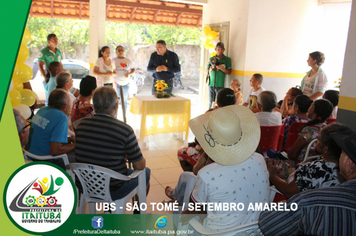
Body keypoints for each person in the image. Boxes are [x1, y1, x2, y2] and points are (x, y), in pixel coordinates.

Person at [179, 105, 269, 233]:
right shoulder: (260, 159)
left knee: (179, 216)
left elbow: (195, 207)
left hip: (218, 233)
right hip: (256, 230)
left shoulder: (207, 174)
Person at [259, 130, 356, 236]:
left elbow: (270, 224)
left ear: (350, 163)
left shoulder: (313, 200)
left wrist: (272, 176)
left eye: (342, 153)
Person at [75, 86, 150, 202]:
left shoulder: (82, 125)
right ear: (116, 106)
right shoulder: (124, 130)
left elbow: (96, 148)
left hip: (85, 184)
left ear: (94, 105)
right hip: (113, 188)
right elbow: (139, 166)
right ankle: (138, 215)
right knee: (146, 172)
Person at [268, 123, 351, 199]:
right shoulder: (347, 169)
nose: (316, 142)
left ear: (326, 149)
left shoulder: (316, 170)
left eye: (318, 139)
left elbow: (288, 191)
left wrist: (273, 175)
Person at [266, 99, 333, 179]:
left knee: (264, 162)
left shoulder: (308, 130)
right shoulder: (326, 128)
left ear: (313, 108)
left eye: (310, 106)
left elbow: (292, 155)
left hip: (299, 167)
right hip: (315, 166)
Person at [177, 88, 236, 172]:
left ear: (218, 103)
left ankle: (192, 176)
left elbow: (199, 139)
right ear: (235, 102)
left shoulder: (210, 114)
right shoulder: (240, 116)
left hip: (210, 154)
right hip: (234, 154)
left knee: (181, 152)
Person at [25, 89, 75, 157]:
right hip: (43, 158)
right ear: (65, 106)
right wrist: (76, 145)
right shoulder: (61, 117)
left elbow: (46, 136)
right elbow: (55, 150)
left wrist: (70, 139)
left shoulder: (42, 110)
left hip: (29, 154)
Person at [207, 42, 232, 109]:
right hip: (211, 83)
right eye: (218, 49)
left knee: (219, 102)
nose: (220, 51)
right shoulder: (211, 59)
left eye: (221, 49)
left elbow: (229, 72)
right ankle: (209, 115)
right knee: (211, 101)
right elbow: (207, 71)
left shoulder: (227, 59)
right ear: (215, 49)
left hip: (220, 84)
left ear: (224, 50)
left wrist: (221, 68)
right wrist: (212, 67)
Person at [112, 45, 135, 110]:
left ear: (124, 51)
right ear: (116, 52)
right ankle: (115, 116)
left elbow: (133, 70)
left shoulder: (128, 61)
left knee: (124, 100)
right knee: (115, 100)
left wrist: (129, 73)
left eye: (122, 50)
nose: (120, 51)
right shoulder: (113, 61)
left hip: (125, 83)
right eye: (119, 50)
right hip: (116, 83)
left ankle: (124, 117)